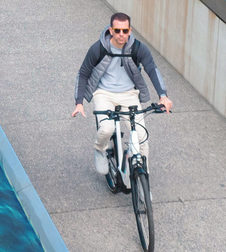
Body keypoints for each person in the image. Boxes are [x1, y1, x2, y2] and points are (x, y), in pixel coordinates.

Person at [72, 12, 172, 182]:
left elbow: (152, 69)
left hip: (129, 95)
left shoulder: (138, 49)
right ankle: (100, 149)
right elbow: (83, 73)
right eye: (117, 30)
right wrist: (79, 102)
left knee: (142, 139)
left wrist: (163, 96)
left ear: (130, 30)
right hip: (104, 94)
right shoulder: (98, 48)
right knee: (107, 128)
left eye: (125, 31)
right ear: (111, 30)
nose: (121, 35)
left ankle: (144, 183)